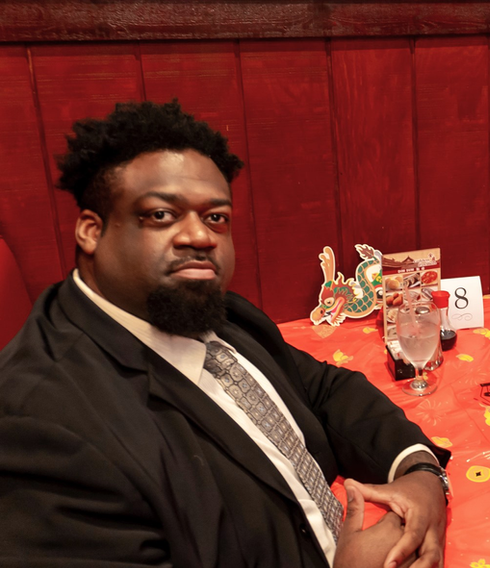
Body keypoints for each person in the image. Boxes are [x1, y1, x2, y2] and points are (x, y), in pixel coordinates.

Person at [0, 101, 451, 568]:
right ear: (91, 231)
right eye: (161, 215)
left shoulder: (201, 309)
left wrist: (419, 472)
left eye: (216, 217)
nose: (200, 236)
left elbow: (322, 390)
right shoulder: (39, 427)